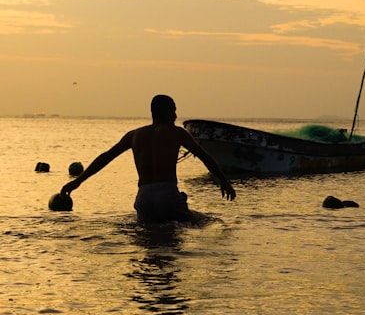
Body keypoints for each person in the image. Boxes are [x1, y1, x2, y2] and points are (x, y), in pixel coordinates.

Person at [59, 95, 236, 222]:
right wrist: (223, 181)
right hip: (167, 194)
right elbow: (205, 157)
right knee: (206, 223)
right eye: (173, 111)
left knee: (149, 245)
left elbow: (105, 158)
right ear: (164, 112)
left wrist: (78, 182)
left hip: (143, 198)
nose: (175, 116)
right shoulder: (177, 133)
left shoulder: (135, 135)